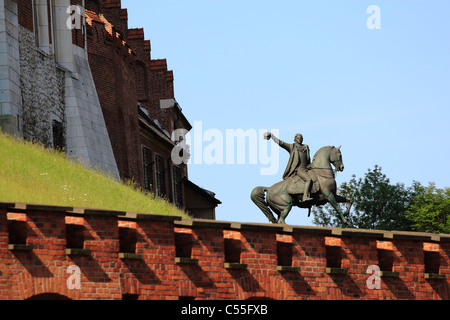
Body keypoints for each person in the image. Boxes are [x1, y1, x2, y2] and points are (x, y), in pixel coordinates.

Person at [265, 132, 313, 202]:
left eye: (301, 138)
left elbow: (308, 159)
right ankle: (305, 196)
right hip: (299, 169)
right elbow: (281, 143)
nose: (300, 139)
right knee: (308, 179)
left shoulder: (306, 147)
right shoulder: (292, 147)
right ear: (295, 139)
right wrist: (272, 136)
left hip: (307, 169)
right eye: (298, 138)